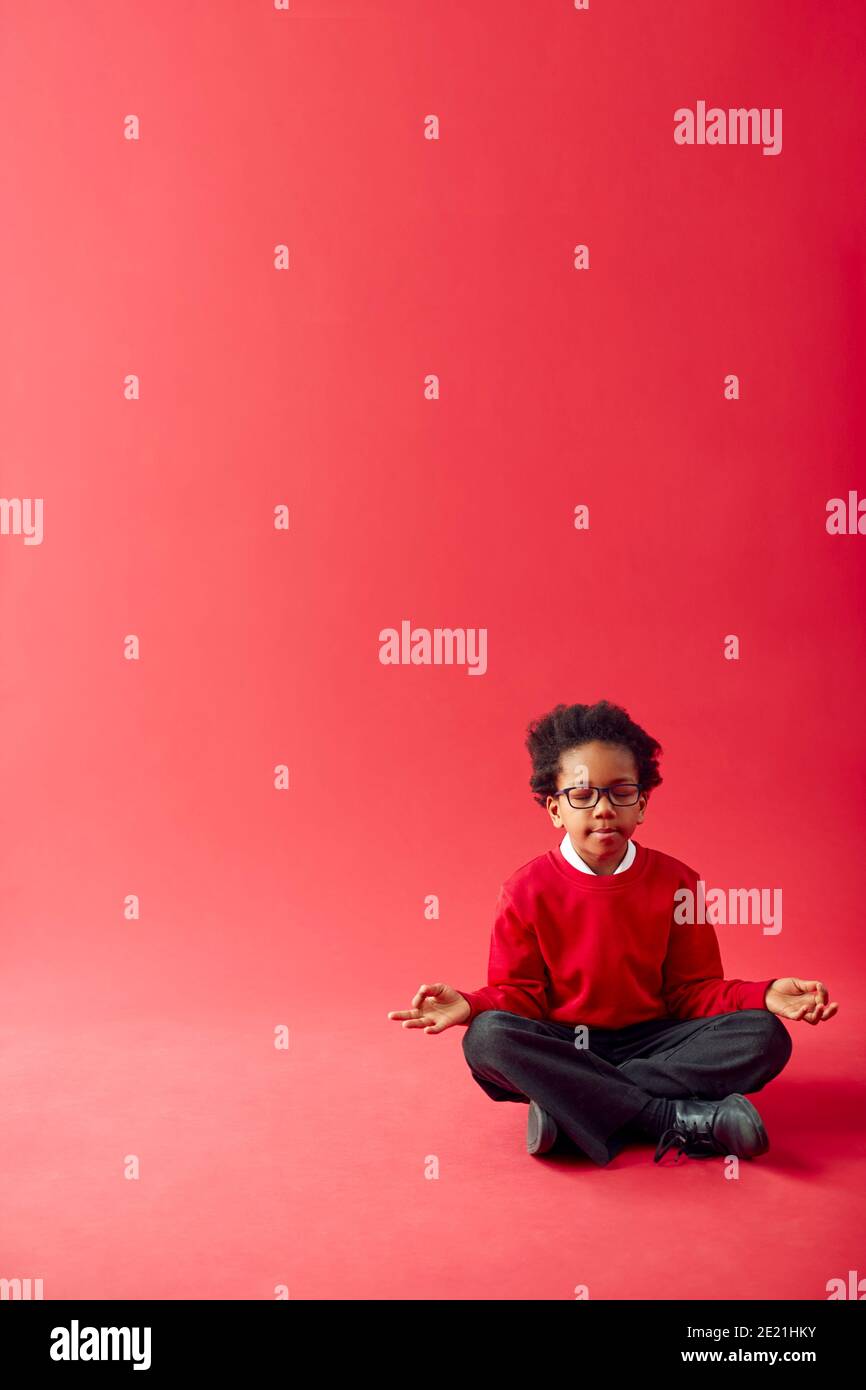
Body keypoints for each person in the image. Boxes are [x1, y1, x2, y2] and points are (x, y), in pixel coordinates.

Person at [387, 699, 838, 1166]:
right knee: (487, 1038)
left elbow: (692, 992)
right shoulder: (524, 890)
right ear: (555, 810)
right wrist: (472, 1005)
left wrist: (764, 995)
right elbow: (521, 994)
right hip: (563, 1040)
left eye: (621, 792)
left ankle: (574, 1105)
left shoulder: (677, 882)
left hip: (655, 1040)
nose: (603, 809)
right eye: (582, 796)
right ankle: (671, 1118)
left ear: (640, 805)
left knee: (764, 1036)